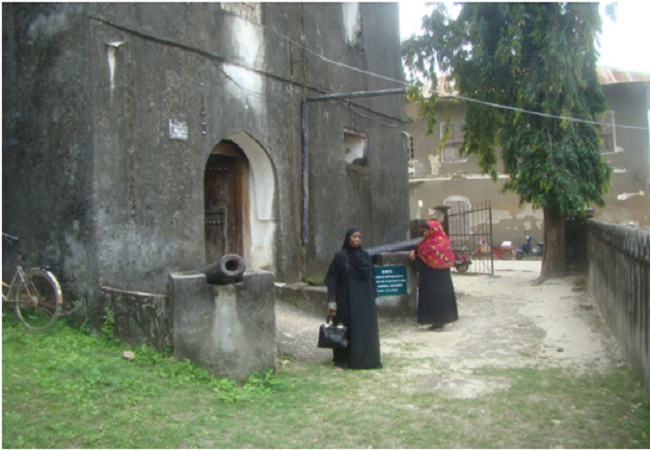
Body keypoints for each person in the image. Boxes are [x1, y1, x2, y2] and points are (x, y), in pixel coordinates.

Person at [324, 228, 382, 370]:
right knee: (346, 327)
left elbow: (372, 278)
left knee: (365, 329)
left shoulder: (365, 257)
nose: (357, 240)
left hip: (365, 301)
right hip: (346, 299)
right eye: (354, 237)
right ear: (348, 238)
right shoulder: (340, 257)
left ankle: (368, 359)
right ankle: (344, 359)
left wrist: (375, 297)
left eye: (359, 237)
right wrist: (332, 303)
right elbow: (332, 280)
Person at [409, 220, 459, 332]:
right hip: (430, 277)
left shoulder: (435, 244)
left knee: (438, 299)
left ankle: (440, 323)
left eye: (426, 230)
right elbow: (420, 249)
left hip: (437, 277)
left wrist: (414, 260)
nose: (424, 232)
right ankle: (434, 322)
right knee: (431, 299)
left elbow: (425, 255)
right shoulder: (429, 241)